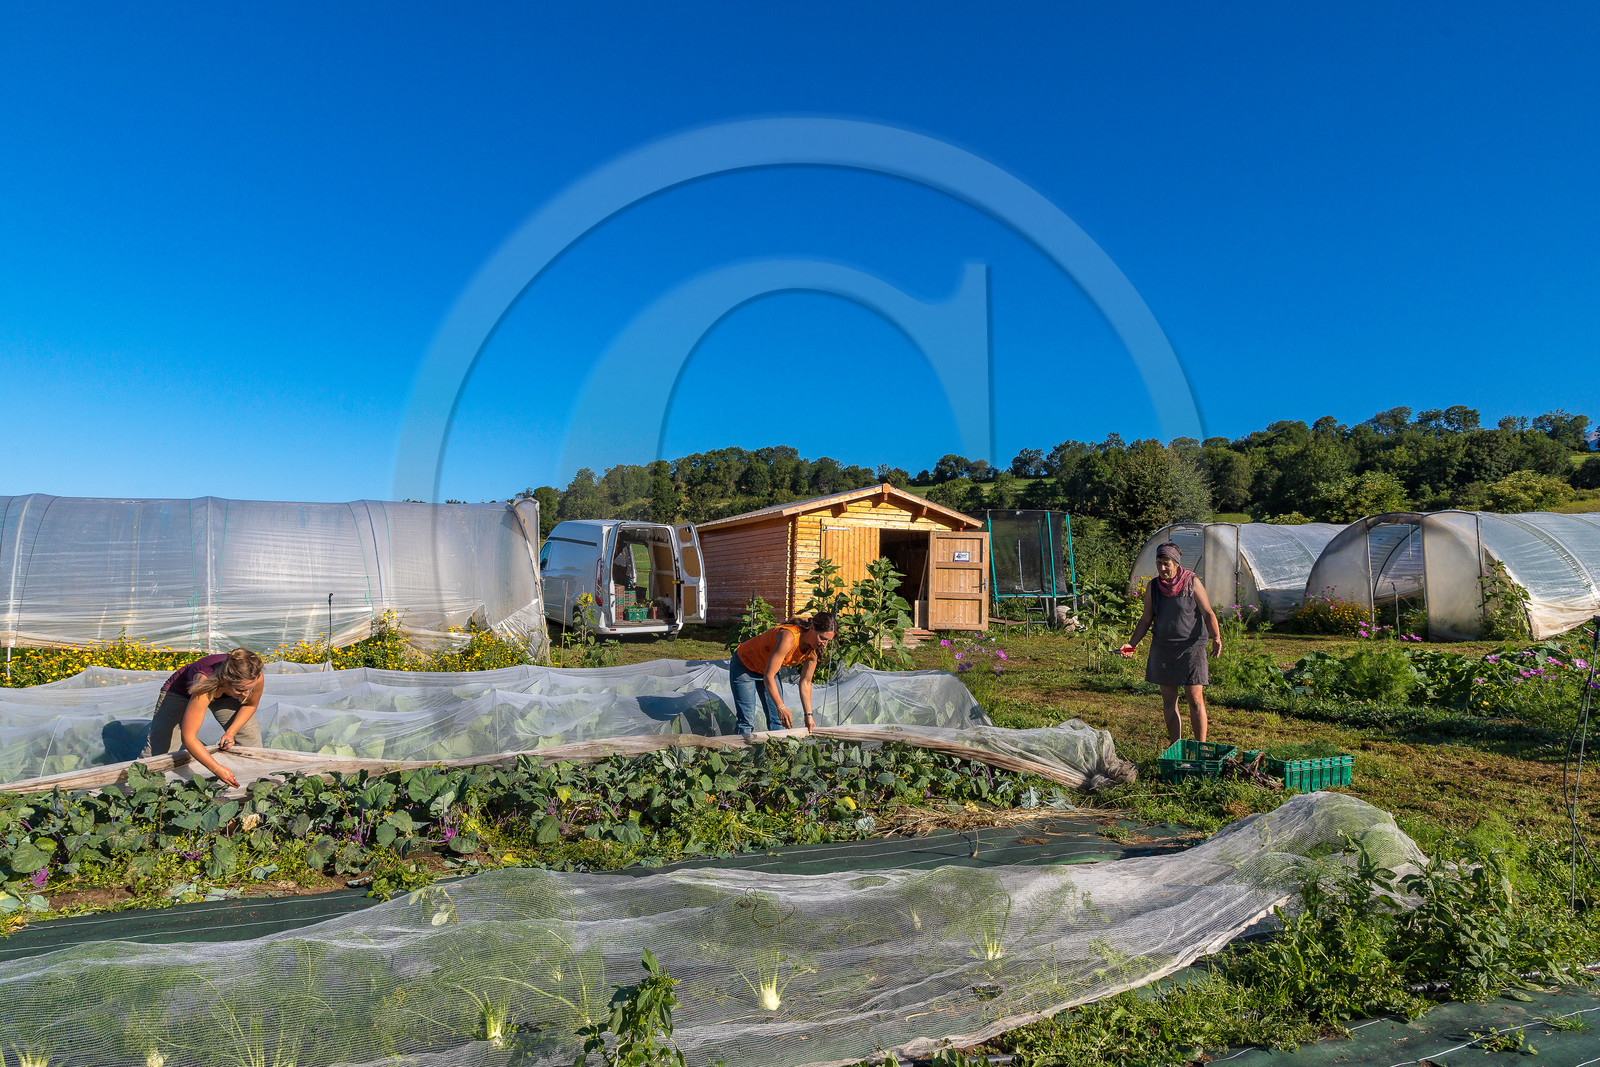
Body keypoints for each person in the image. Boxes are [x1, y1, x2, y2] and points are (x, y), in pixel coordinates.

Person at [1120, 543, 1222, 743]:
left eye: (1166, 564)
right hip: (1163, 648)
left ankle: (1200, 747)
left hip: (1190, 648)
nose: (1162, 568)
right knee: (1169, 700)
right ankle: (1176, 746)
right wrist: (1131, 644)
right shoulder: (1153, 587)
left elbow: (1208, 613)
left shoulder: (1192, 582)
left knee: (1195, 700)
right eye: (1159, 563)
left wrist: (1216, 637)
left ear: (1176, 563)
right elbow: (1146, 619)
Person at [140, 648, 265, 788]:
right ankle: (141, 789)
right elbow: (188, 738)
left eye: (250, 688)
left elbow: (249, 705)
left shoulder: (254, 676)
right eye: (241, 690)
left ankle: (250, 787)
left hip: (226, 693)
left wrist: (231, 732)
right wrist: (217, 769)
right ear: (226, 680)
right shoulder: (204, 684)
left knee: (249, 739)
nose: (246, 694)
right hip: (181, 692)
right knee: (160, 750)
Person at [729, 613, 838, 735]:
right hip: (744, 665)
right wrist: (781, 707)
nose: (824, 644)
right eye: (822, 638)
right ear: (812, 627)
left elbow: (805, 683)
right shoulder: (789, 637)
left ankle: (776, 753)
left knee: (778, 720)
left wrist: (808, 715)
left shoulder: (812, 652)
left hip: (767, 669)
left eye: (828, 640)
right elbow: (769, 676)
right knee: (747, 721)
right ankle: (739, 753)